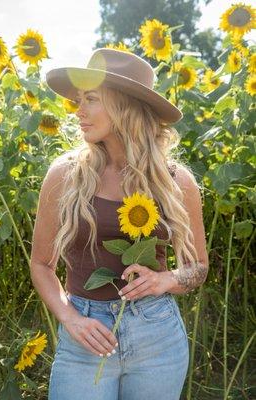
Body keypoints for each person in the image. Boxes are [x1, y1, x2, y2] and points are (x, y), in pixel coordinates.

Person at [30, 48, 209, 400]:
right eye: (78, 100)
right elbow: (41, 264)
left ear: (124, 104)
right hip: (87, 336)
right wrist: (71, 319)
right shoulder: (65, 175)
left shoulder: (175, 182)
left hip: (157, 337)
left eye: (90, 99)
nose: (78, 111)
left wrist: (166, 279)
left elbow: (198, 268)